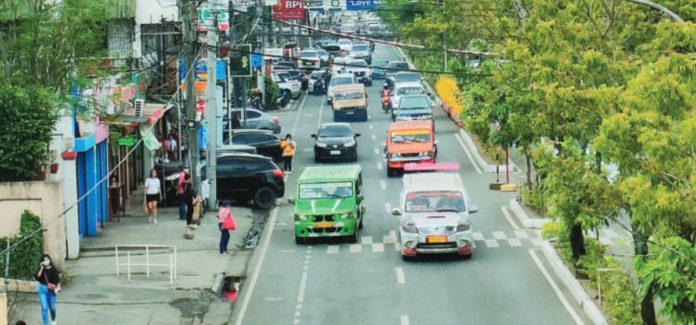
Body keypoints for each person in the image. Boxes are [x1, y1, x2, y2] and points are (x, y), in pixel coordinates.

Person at [35, 254, 60, 325]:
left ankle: (53, 320)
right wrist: (41, 268)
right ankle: (46, 323)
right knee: (44, 307)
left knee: (52, 307)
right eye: (44, 260)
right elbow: (38, 276)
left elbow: (57, 281)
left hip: (51, 291)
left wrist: (57, 288)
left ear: (49, 260)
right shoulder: (42, 269)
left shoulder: (54, 269)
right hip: (42, 290)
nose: (46, 261)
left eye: (47, 259)